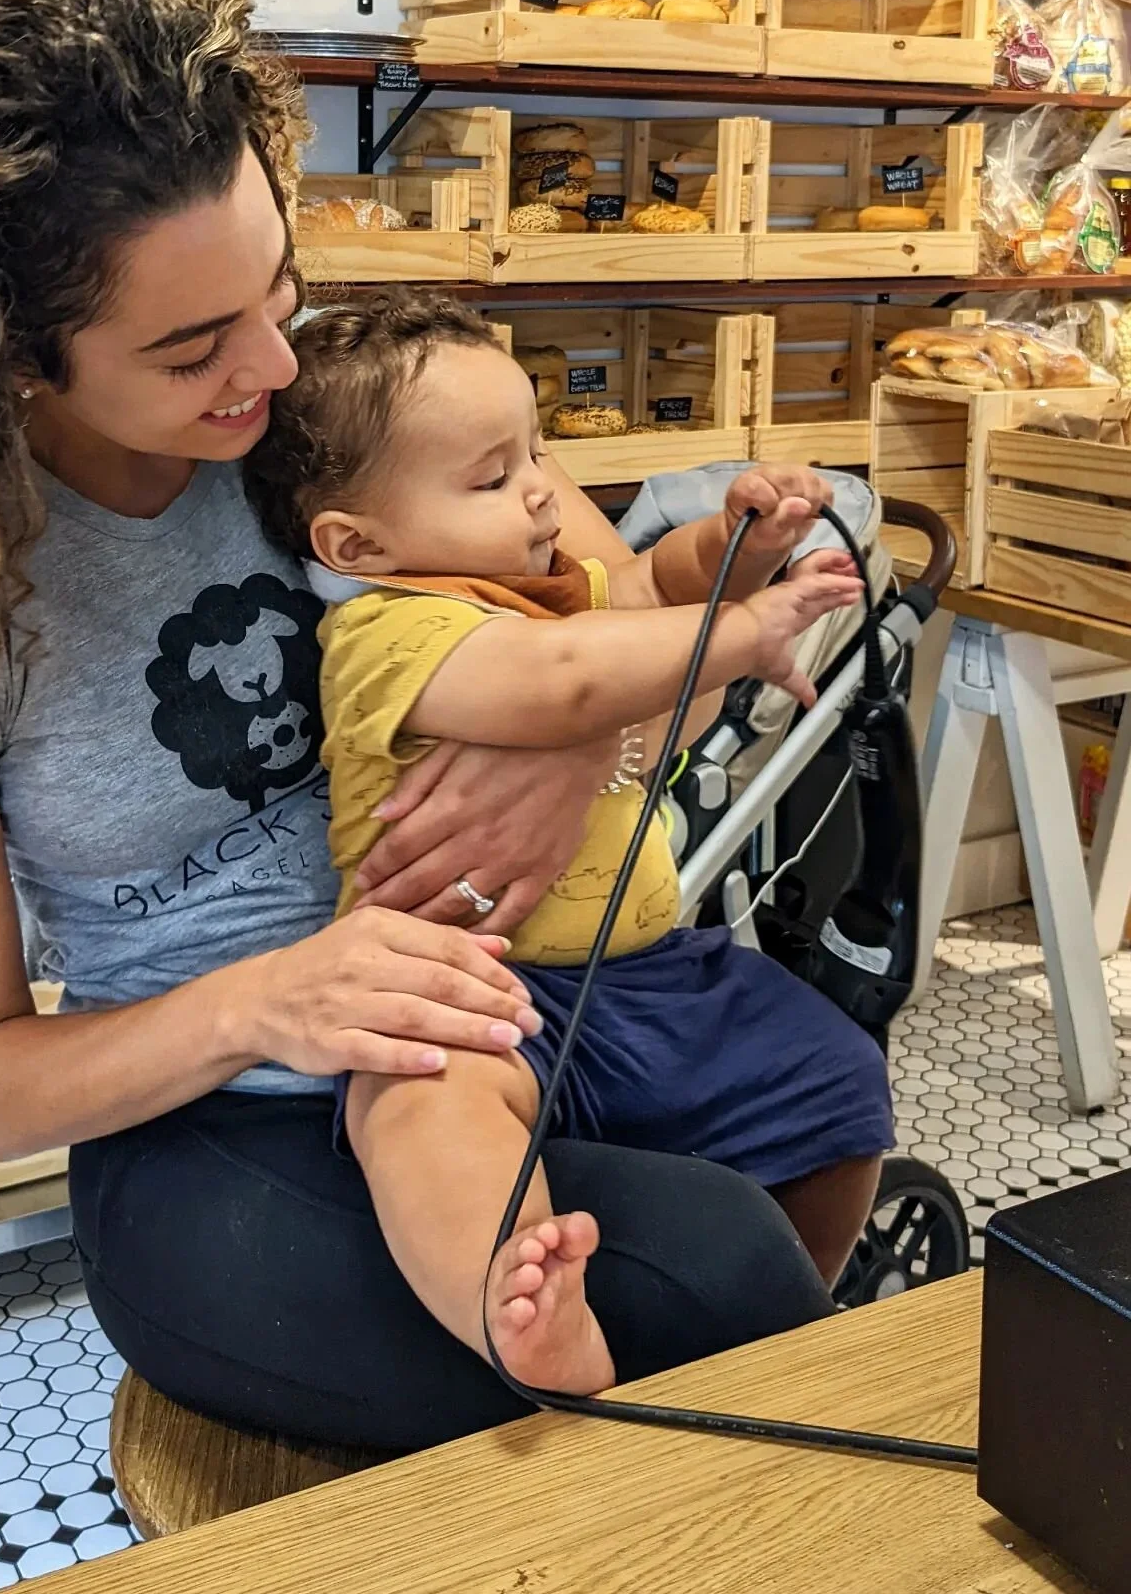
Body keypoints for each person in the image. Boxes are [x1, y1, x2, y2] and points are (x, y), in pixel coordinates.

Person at [0, 0, 842, 1457]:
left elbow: (616, 633)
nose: (268, 365)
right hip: (212, 1113)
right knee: (691, 1289)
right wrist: (268, 997)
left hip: (507, 1006)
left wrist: (574, 741)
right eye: (191, 347)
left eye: (281, 286)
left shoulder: (339, 410)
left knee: (795, 1151)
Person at [242, 292, 894, 1396]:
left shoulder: (543, 586)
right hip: (467, 992)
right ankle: (524, 1308)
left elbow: (642, 588)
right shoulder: (385, 634)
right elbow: (568, 683)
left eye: (536, 449)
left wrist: (732, 546)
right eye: (493, 478)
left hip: (645, 970)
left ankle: (801, 1311)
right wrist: (743, 636)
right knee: (419, 1111)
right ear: (360, 544)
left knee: (838, 1078)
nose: (544, 489)